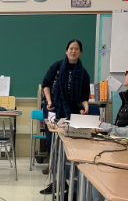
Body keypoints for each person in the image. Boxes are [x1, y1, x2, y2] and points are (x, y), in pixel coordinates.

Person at [40, 39, 90, 195]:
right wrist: (49, 101)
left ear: (80, 52)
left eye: (76, 49)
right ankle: (57, 182)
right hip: (54, 109)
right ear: (66, 51)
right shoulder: (56, 66)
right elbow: (46, 84)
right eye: (70, 48)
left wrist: (85, 106)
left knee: (71, 148)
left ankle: (71, 184)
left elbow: (84, 97)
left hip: (72, 114)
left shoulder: (83, 73)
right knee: (53, 145)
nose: (73, 51)